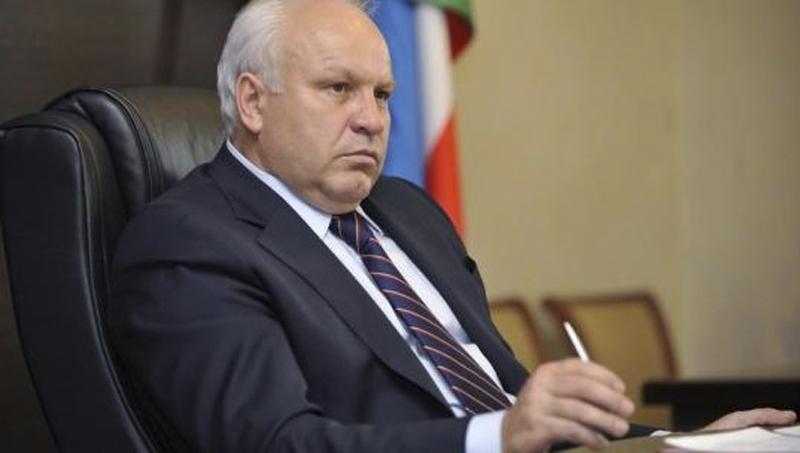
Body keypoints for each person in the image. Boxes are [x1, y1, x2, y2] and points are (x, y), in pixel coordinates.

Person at [109, 0, 796, 451]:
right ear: (253, 102)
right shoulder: (189, 244)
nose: (372, 120)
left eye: (382, 94)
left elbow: (513, 400)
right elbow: (278, 444)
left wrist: (685, 442)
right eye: (339, 88)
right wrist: (498, 438)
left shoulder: (409, 213)